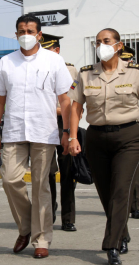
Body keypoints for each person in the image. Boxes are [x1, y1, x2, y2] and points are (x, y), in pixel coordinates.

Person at [68, 28, 139, 265]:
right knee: (105, 192)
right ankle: (123, 232)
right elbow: (76, 107)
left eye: (106, 41)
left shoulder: (134, 73)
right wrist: (72, 137)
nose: (102, 45)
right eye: (98, 42)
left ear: (118, 46)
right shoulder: (86, 74)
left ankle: (112, 246)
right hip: (96, 138)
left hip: (129, 136)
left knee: (121, 189)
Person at [0, 14, 73, 259]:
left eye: (30, 31)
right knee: (9, 179)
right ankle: (26, 227)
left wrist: (68, 132)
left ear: (39, 34)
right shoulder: (6, 62)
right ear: (16, 34)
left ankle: (41, 239)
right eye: (21, 31)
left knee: (40, 187)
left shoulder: (54, 61)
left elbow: (65, 99)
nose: (25, 35)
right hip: (14, 130)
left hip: (44, 131)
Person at [41, 33, 78, 231]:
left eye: (48, 50)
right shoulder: (36, 68)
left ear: (57, 51)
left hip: (64, 122)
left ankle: (68, 218)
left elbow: (74, 101)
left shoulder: (70, 70)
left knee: (67, 173)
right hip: (45, 126)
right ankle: (49, 213)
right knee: (47, 173)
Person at [119, 46, 139, 220]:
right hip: (113, 125)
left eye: (127, 59)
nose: (125, 62)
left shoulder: (137, 73)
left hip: (136, 123)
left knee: (137, 167)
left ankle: (137, 206)